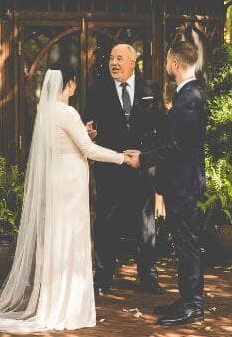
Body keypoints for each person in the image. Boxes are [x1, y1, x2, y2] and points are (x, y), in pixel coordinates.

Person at [0, 64, 135, 334]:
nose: (77, 87)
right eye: (74, 82)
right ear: (69, 83)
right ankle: (69, 307)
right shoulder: (67, 111)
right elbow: (88, 149)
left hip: (57, 180)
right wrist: (122, 158)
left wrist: (85, 133)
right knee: (72, 238)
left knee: (59, 237)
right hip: (70, 184)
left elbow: (71, 141)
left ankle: (55, 301)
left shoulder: (46, 111)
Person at [126, 38, 208, 326]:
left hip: (183, 184)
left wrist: (143, 158)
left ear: (175, 63)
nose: (165, 67)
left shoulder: (189, 98)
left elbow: (177, 147)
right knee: (184, 242)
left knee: (186, 243)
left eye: (166, 62)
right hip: (182, 182)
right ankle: (186, 299)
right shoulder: (192, 94)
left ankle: (193, 305)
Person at [85, 43, 165, 295]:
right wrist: (90, 130)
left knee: (145, 223)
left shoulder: (151, 88)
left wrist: (150, 157)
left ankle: (148, 276)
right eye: (111, 57)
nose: (114, 63)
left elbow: (162, 126)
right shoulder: (97, 90)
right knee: (106, 223)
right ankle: (103, 275)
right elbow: (87, 122)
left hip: (143, 168)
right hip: (111, 168)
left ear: (133, 62)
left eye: (119, 58)